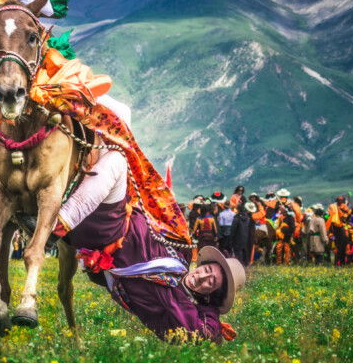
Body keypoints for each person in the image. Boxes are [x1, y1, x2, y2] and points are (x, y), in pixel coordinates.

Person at [51, 103, 245, 341]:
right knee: (120, 114)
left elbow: (204, 336)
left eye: (210, 282)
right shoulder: (182, 258)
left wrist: (212, 311)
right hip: (122, 212)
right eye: (207, 271)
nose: (203, 277)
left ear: (212, 294)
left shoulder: (179, 306)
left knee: (119, 159)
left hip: (109, 234)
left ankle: (59, 223)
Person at [327, 196, 350, 266]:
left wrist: (341, 211)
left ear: (343, 201)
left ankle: (342, 262)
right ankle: (337, 263)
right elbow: (328, 217)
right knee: (336, 246)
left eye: (341, 200)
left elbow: (345, 219)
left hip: (342, 228)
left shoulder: (345, 207)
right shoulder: (332, 207)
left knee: (343, 246)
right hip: (334, 228)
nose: (340, 202)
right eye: (339, 200)